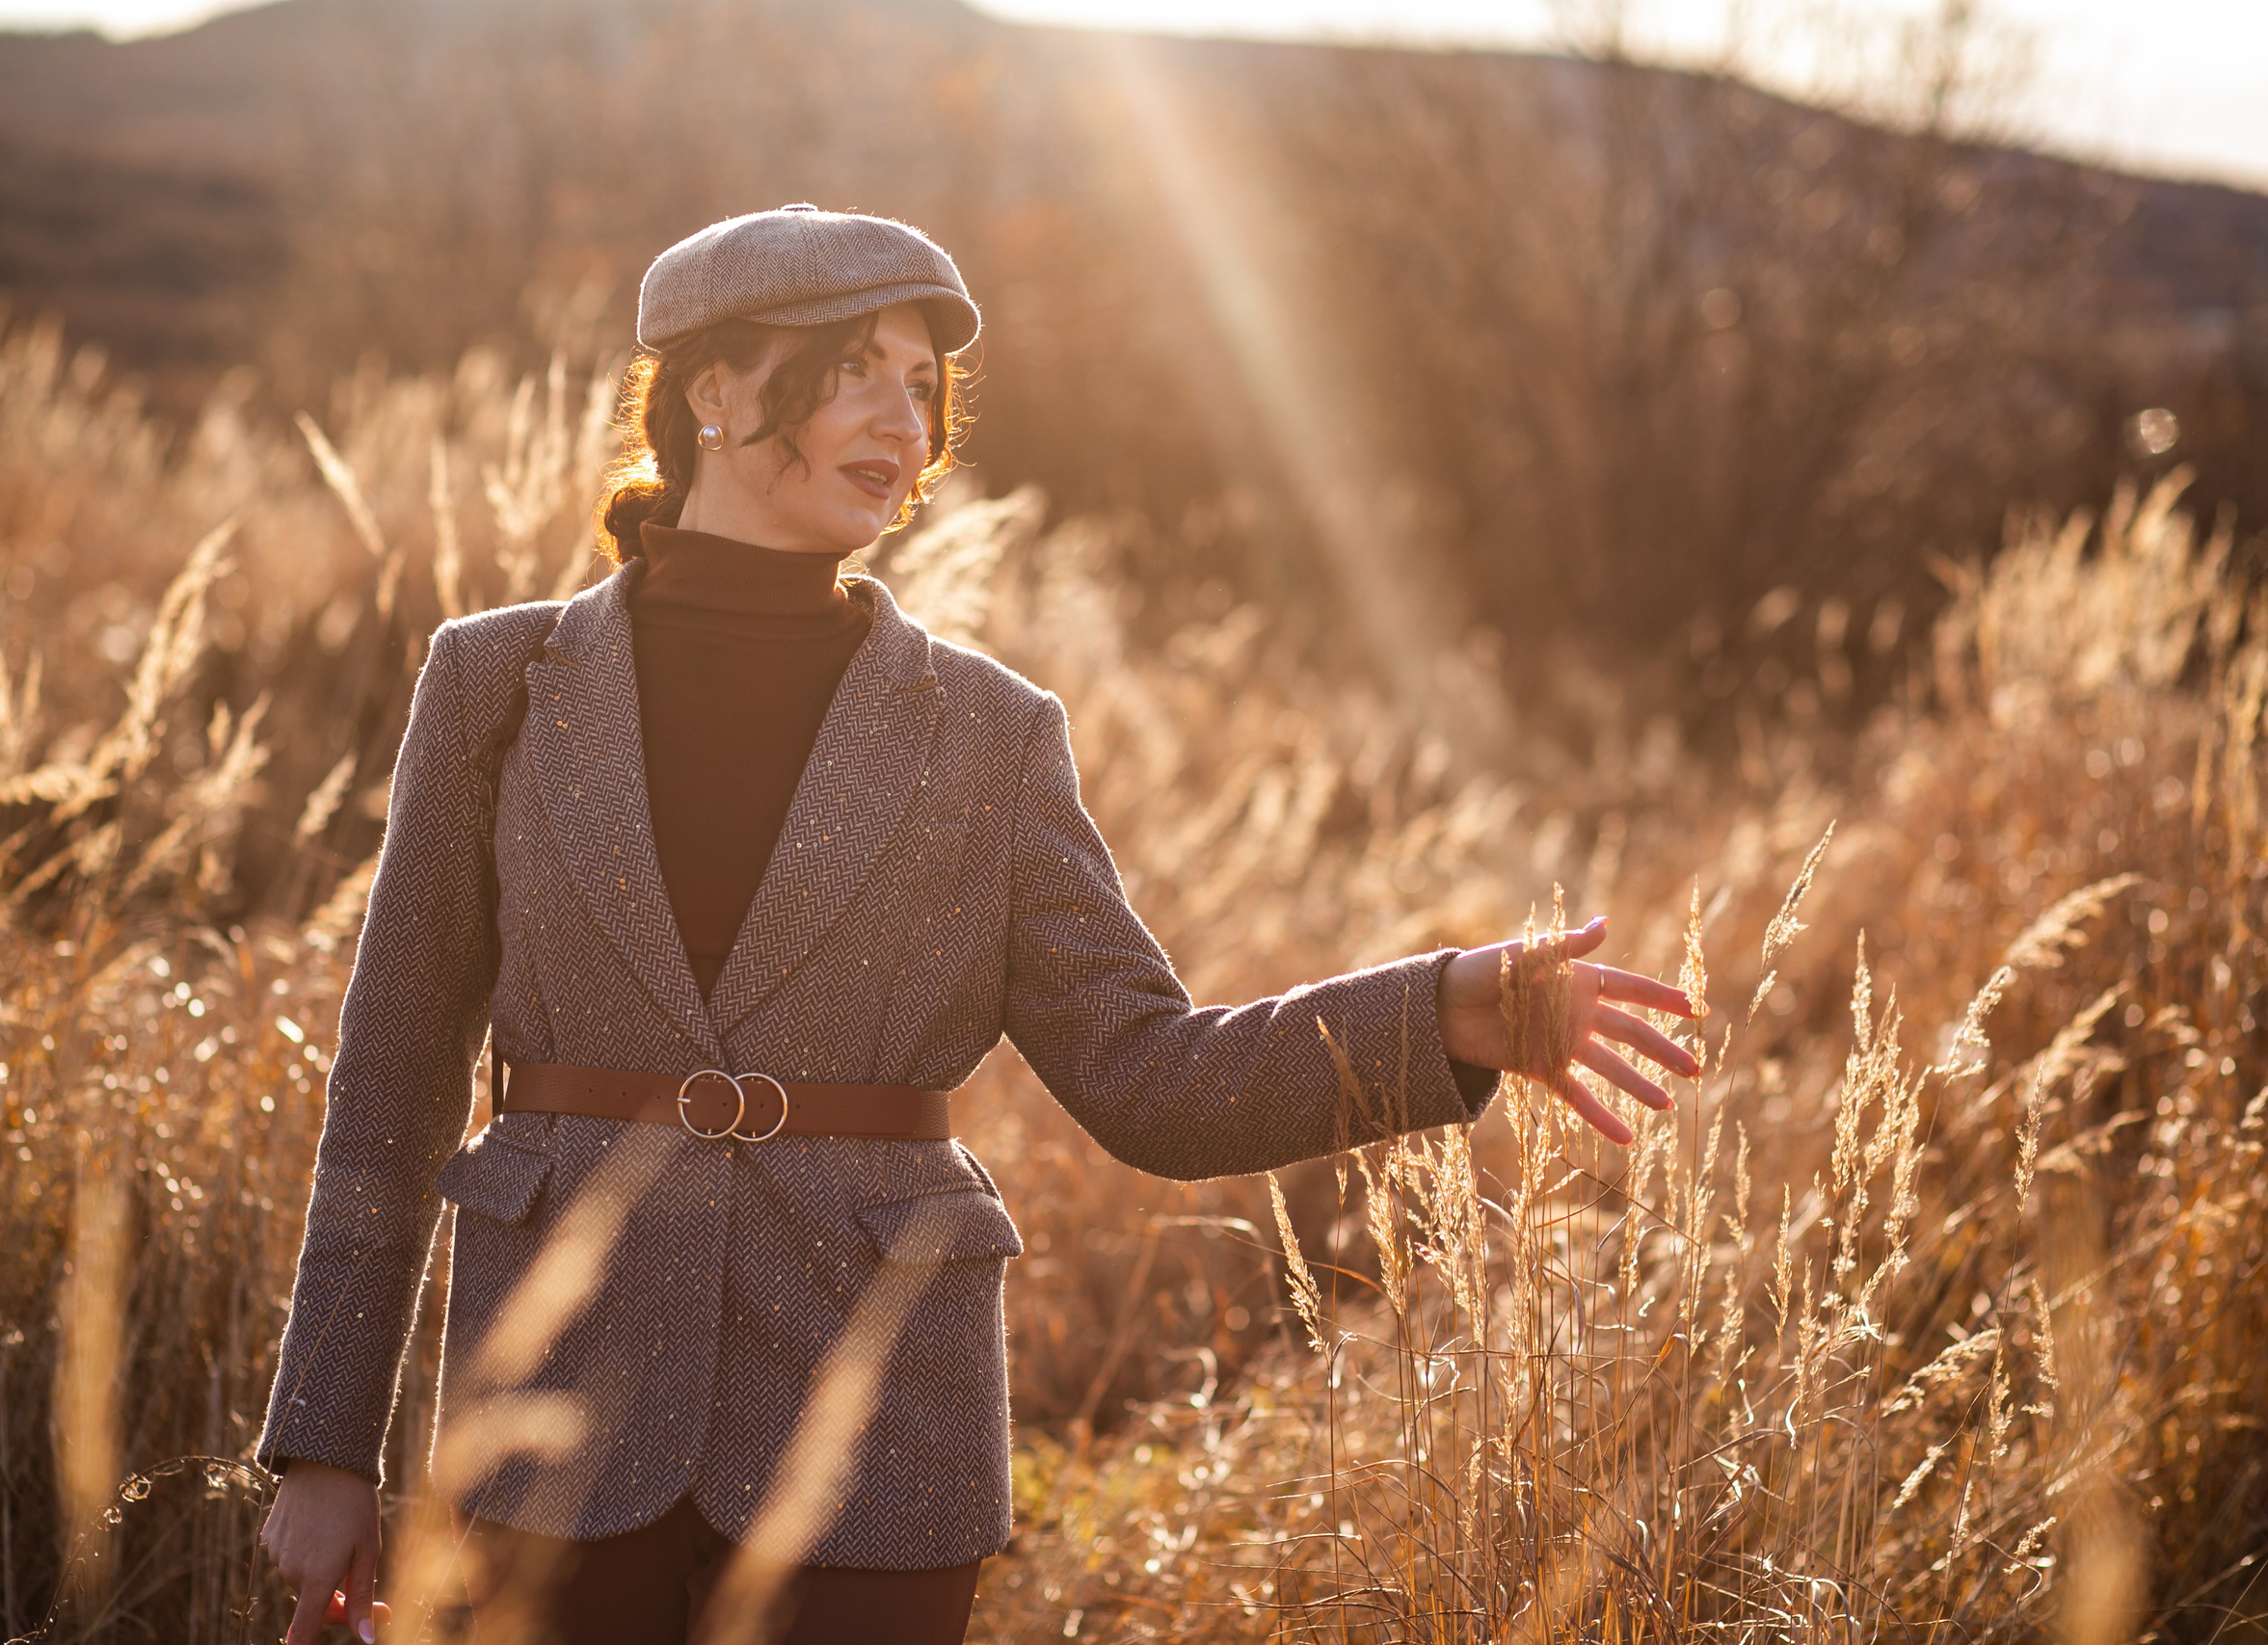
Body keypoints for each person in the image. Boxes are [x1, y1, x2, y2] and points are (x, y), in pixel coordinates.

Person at [254, 204, 1700, 1645]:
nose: (905, 417)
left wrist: (1436, 1010)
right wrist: (326, 1445)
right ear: (714, 387)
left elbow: (1153, 1080)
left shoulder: (992, 735)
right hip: (552, 1414)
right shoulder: (495, 685)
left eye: (923, 384)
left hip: (875, 1433)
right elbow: (390, 1085)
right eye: (859, 368)